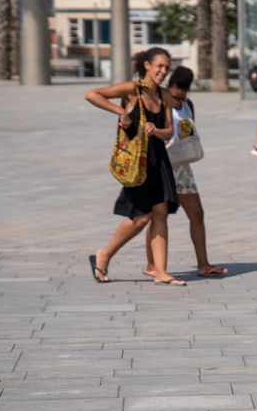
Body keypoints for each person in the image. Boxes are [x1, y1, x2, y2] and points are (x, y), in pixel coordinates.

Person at [85, 48, 185, 286]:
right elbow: (92, 94)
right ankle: (104, 254)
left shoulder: (165, 95)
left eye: (166, 67)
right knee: (141, 218)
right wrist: (120, 111)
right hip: (137, 161)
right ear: (147, 65)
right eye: (159, 66)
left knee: (160, 213)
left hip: (158, 159)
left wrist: (156, 130)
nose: (163, 71)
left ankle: (161, 272)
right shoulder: (132, 90)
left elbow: (170, 131)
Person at [143, 66, 228, 279]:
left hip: (182, 166)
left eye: (182, 95)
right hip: (161, 164)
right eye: (175, 94)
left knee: (197, 213)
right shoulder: (160, 101)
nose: (178, 99)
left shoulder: (188, 105)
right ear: (169, 87)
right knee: (157, 216)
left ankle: (203, 264)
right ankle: (152, 264)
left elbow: (189, 131)